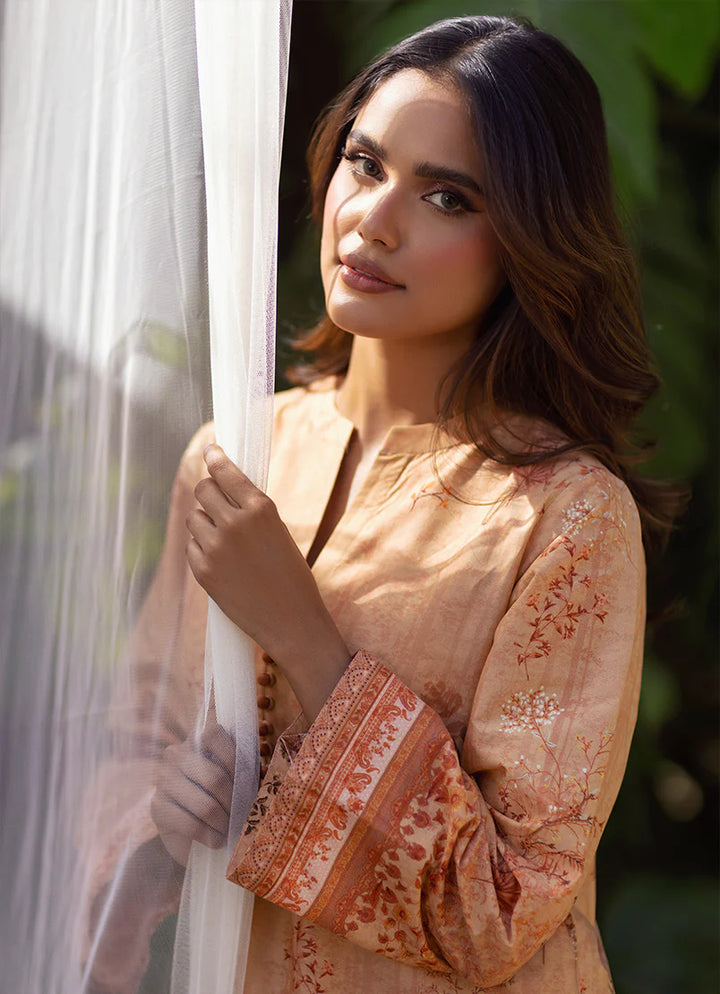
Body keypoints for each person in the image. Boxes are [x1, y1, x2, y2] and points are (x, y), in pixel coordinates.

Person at [83, 14, 679, 994]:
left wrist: (303, 637)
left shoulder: (566, 518)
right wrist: (160, 809)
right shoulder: (238, 454)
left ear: (527, 240)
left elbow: (504, 911)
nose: (374, 219)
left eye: (447, 197)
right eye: (365, 164)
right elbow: (125, 746)